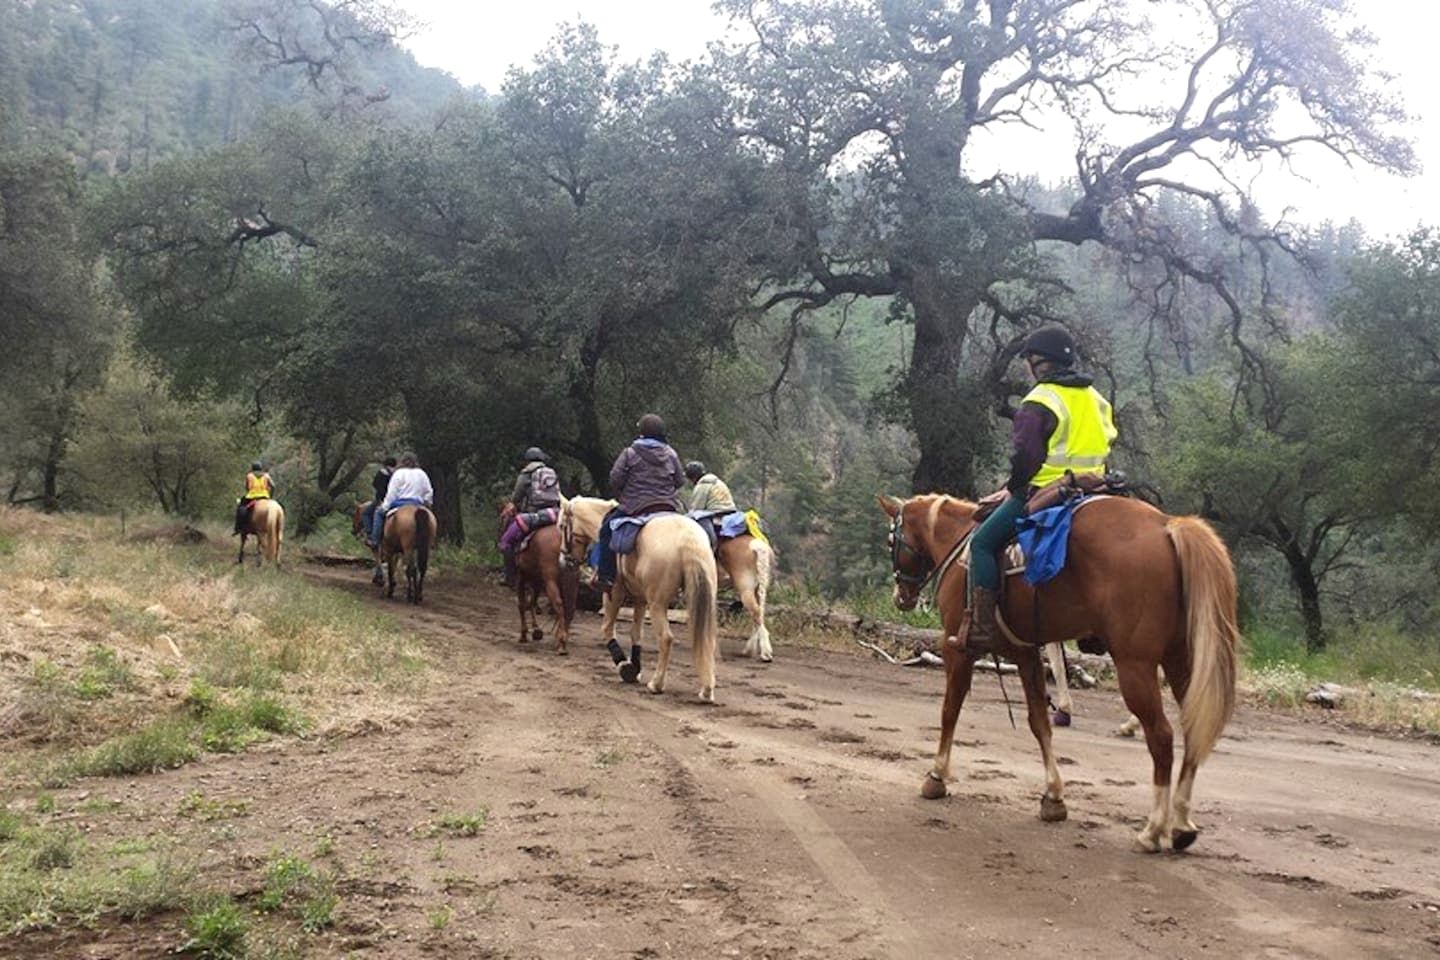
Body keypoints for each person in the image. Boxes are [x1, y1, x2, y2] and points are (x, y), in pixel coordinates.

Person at [964, 327, 1117, 652]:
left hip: (1047, 490)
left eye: (1028, 360)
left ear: (1038, 362)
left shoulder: (1040, 400)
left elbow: (1026, 456)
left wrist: (1012, 489)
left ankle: (982, 628)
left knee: (981, 543)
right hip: (1097, 489)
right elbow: (1107, 439)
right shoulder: (1097, 399)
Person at [595, 414, 685, 590]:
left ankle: (606, 577)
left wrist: (622, 492)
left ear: (641, 431)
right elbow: (679, 481)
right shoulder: (670, 453)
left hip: (635, 506)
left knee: (606, 530)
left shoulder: (630, 452)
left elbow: (615, 478)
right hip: (667, 506)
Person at [500, 447, 562, 586]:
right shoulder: (551, 472)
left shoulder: (526, 473)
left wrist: (513, 504)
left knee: (507, 537)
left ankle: (509, 574)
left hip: (534, 513)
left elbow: (517, 496)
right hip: (555, 513)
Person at [371, 451, 434, 546]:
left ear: (402, 462)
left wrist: (385, 506)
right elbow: (429, 492)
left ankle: (374, 540)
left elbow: (392, 493)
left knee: (378, 513)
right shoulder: (422, 474)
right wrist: (427, 503)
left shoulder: (398, 473)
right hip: (418, 504)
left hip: (400, 504)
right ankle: (431, 542)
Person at [362, 457, 397, 548]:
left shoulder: (382, 473)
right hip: (396, 501)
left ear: (385, 464)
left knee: (366, 513)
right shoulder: (396, 474)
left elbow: (375, 485)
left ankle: (372, 537)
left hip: (382, 500)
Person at [234, 460, 274, 535]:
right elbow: (273, 486)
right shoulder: (266, 475)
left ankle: (239, 528)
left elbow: (247, 487)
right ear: (261, 468)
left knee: (240, 509)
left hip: (252, 497)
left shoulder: (249, 475)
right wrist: (271, 496)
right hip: (265, 497)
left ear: (252, 468)